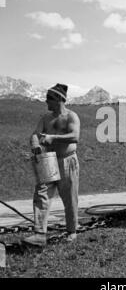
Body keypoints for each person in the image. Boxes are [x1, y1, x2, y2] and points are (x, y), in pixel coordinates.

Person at [22, 84, 80, 247]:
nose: (46, 101)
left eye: (49, 98)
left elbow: (75, 136)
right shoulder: (45, 118)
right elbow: (35, 134)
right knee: (42, 194)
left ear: (60, 99)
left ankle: (72, 231)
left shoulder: (71, 116)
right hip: (48, 160)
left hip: (67, 160)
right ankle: (40, 234)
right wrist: (35, 144)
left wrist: (53, 138)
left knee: (69, 197)